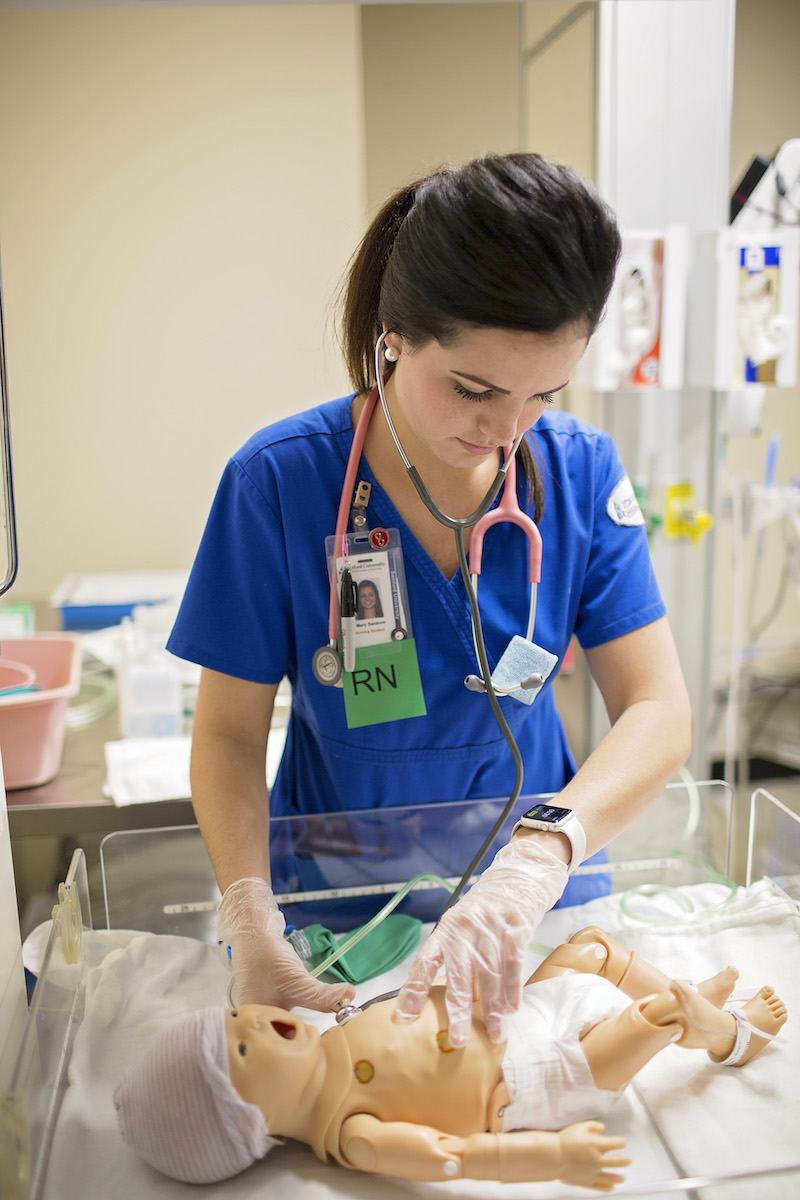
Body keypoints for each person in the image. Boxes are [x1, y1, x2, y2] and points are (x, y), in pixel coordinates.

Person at [165, 152, 692, 1046]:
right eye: (473, 390)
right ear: (394, 334)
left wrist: (543, 855)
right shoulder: (279, 482)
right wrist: (249, 915)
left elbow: (657, 709)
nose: (506, 430)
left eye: (542, 395)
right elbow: (225, 733)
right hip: (336, 909)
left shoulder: (576, 472)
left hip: (532, 900)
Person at [114, 926, 786, 1187]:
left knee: (592, 951)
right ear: (251, 1121)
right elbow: (454, 1156)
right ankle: (727, 1033)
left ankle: (689, 1005)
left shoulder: (327, 1031)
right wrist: (556, 1159)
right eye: (240, 1046)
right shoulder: (355, 1135)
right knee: (652, 1019)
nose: (256, 1022)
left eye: (237, 1017)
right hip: (536, 1077)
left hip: (514, 1012)